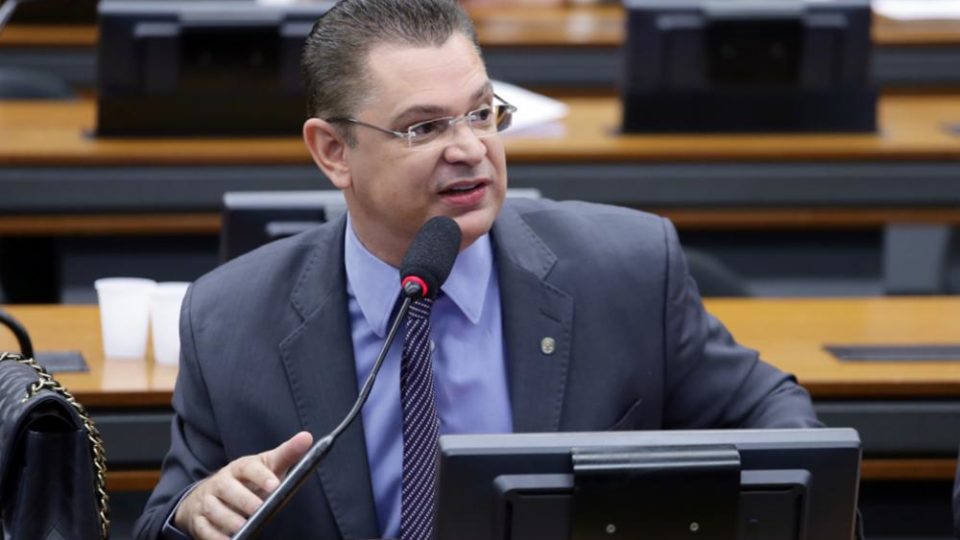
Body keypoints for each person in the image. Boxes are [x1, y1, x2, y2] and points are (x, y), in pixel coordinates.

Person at [134, 1, 821, 538]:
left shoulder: (629, 269)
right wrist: (196, 509)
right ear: (333, 151)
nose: (469, 149)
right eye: (424, 128)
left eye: (482, 114)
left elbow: (780, 423)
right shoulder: (228, 319)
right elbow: (168, 514)